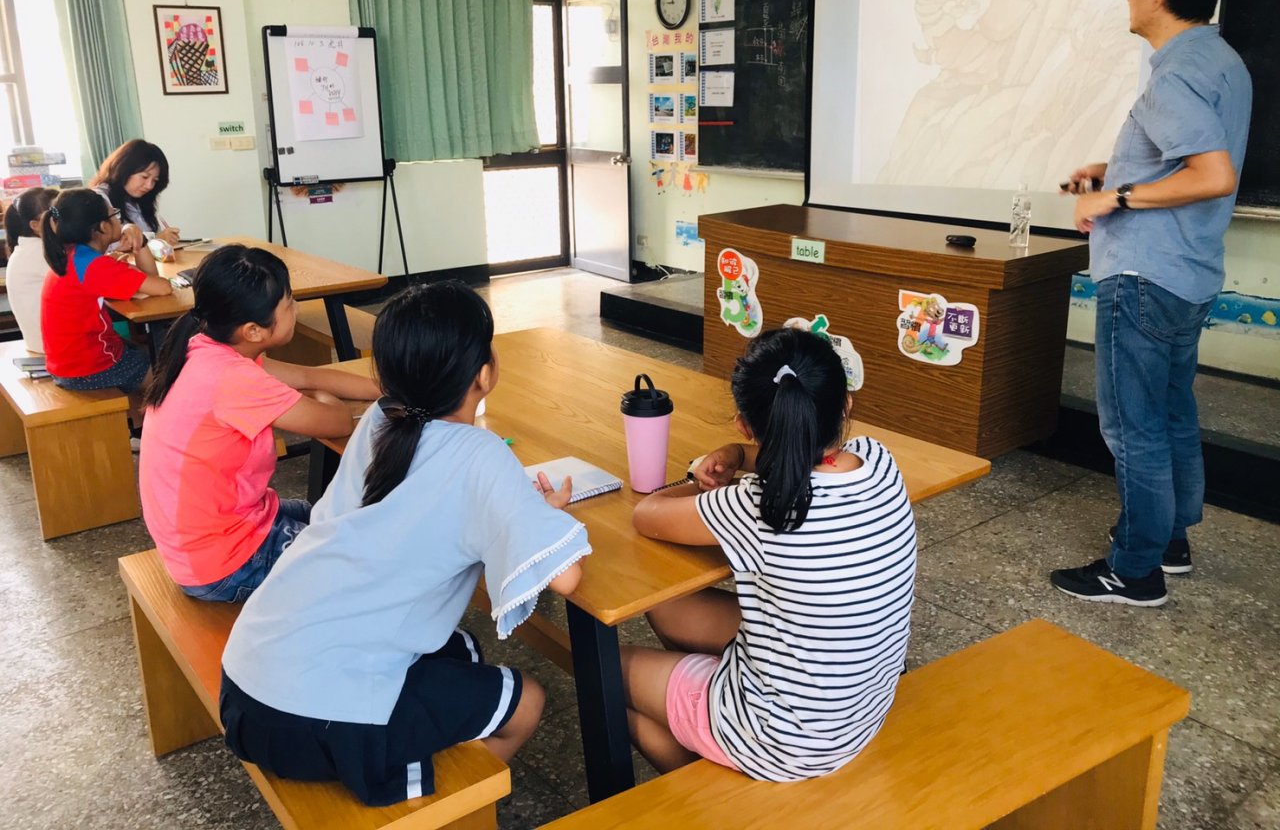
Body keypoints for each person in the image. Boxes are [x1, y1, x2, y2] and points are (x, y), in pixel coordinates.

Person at [218, 281, 591, 807]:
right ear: (484, 373)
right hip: (311, 719)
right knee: (527, 700)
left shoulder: (381, 418)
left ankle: (430, 751)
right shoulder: (482, 455)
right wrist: (541, 515)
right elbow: (567, 578)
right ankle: (446, 812)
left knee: (462, 651)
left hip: (246, 679)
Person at [1051, 0, 1252, 607]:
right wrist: (1112, 170)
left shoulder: (1175, 74)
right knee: (1170, 412)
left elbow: (1212, 173)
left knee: (1132, 427)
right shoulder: (1222, 62)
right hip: (1189, 272)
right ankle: (1170, 541)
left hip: (1144, 273)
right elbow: (1193, 157)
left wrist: (1114, 197)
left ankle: (1134, 571)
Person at [622, 327, 915, 779]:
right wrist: (741, 455)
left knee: (607, 672)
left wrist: (699, 479)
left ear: (744, 422)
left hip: (779, 741)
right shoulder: (879, 461)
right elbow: (809, 454)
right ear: (846, 404)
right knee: (665, 607)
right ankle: (704, 724)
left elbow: (647, 515)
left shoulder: (759, 503)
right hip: (858, 712)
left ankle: (709, 791)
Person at [139, 244, 380, 602]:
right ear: (253, 331)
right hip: (224, 563)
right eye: (289, 303)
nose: (296, 308)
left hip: (208, 536)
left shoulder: (205, 349)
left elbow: (308, 376)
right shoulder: (233, 380)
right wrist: (319, 399)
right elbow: (339, 422)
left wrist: (385, 387)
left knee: (333, 516)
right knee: (365, 558)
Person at [39, 189, 172, 393]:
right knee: (167, 376)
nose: (119, 220)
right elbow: (163, 287)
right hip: (89, 368)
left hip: (66, 363)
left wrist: (139, 241)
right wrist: (141, 241)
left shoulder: (74, 255)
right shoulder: (95, 266)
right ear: (103, 227)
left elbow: (148, 279)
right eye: (115, 215)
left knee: (143, 351)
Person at [89, 139, 181, 250]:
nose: (149, 186)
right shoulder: (98, 198)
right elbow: (103, 247)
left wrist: (164, 240)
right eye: (144, 177)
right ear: (124, 169)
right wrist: (155, 240)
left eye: (154, 180)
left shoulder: (139, 200)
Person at [4, 187, 57, 353]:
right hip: (53, 347)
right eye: (57, 214)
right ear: (35, 225)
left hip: (38, 343)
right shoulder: (41, 252)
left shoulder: (28, 248)